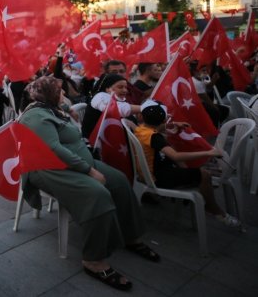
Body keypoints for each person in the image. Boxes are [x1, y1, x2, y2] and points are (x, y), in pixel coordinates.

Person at [18, 76, 158, 292]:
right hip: (48, 168)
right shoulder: (36, 115)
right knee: (97, 194)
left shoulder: (52, 108)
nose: (64, 94)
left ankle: (130, 236)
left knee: (119, 181)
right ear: (47, 95)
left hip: (77, 160)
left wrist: (69, 112)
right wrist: (89, 170)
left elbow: (67, 109)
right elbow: (54, 150)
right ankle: (93, 260)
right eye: (60, 91)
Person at [134, 100, 241, 228]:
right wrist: (208, 153)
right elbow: (175, 155)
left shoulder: (141, 130)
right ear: (163, 121)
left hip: (151, 173)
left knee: (191, 168)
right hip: (159, 178)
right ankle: (214, 209)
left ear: (143, 118)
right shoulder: (155, 137)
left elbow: (158, 129)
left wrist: (172, 124)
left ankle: (202, 194)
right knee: (204, 174)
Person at [81, 74, 142, 140]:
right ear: (107, 89)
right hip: (96, 143)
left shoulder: (117, 98)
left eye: (125, 87)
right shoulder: (100, 97)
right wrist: (145, 108)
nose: (125, 90)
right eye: (120, 87)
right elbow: (116, 109)